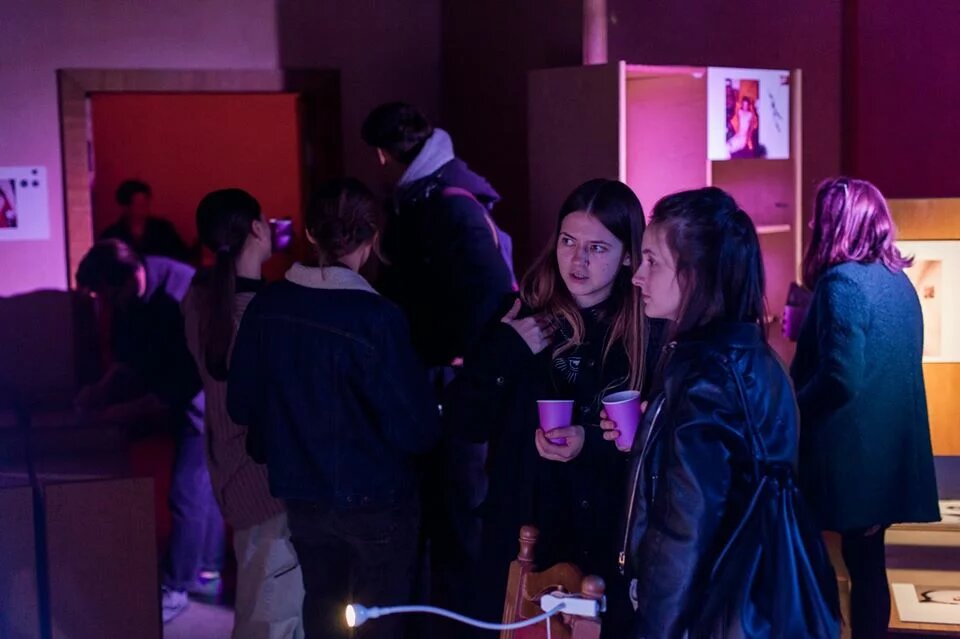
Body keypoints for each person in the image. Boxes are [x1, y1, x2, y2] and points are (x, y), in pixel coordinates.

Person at [444, 179, 660, 636]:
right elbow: (464, 420)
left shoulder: (646, 328)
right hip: (521, 530)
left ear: (627, 255)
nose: (577, 260)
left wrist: (590, 442)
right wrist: (506, 349)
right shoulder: (519, 313)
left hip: (603, 540)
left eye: (597, 248)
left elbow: (657, 446)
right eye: (568, 241)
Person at [621, 187, 839, 638]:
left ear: (695, 275)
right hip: (757, 602)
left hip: (713, 609)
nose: (638, 277)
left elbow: (685, 531)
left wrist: (653, 628)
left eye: (652, 261)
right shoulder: (757, 359)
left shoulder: (704, 378)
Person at [227, 178, 439, 639]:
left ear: (309, 234)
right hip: (376, 497)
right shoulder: (378, 317)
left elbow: (241, 404)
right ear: (373, 238)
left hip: (300, 491)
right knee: (380, 621)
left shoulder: (269, 306)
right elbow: (416, 430)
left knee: (321, 609)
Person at [361, 101, 515, 627]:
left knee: (455, 520)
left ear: (386, 154)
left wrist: (456, 362)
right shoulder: (431, 196)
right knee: (440, 518)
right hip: (438, 383)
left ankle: (459, 627)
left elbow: (492, 296)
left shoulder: (448, 204)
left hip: (451, 389)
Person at [791, 177, 939, 639]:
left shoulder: (842, 283)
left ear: (838, 222)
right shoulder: (898, 281)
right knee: (868, 567)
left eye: (821, 216)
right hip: (889, 456)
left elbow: (841, 377)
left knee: (812, 561)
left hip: (847, 460)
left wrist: (791, 409)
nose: (814, 223)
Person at [74, 239, 223, 623]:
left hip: (207, 395)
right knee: (200, 487)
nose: (107, 304)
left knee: (187, 491)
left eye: (107, 295)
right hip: (182, 391)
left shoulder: (182, 292)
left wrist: (122, 410)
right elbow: (129, 358)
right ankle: (206, 570)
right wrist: (100, 390)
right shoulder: (130, 293)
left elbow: (184, 381)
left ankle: (176, 586)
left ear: (126, 278)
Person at [181, 189, 304, 639]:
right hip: (267, 479)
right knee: (272, 613)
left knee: (264, 605)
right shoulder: (263, 312)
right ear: (257, 227)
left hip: (229, 469)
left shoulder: (198, 303)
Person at [101, 179, 190, 261]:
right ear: (125, 207)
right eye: (139, 205)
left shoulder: (163, 230)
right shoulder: (112, 236)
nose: (145, 209)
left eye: (146, 204)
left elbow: (182, 257)